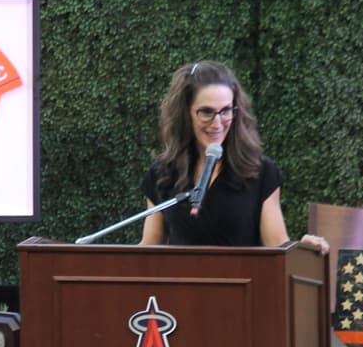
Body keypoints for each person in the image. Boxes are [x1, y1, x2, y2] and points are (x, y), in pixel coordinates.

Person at [139, 60, 327, 252]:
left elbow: (278, 247)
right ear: (185, 113)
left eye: (226, 111)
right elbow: (148, 249)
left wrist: (302, 250)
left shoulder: (259, 172)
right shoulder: (163, 173)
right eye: (207, 112)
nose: (217, 123)